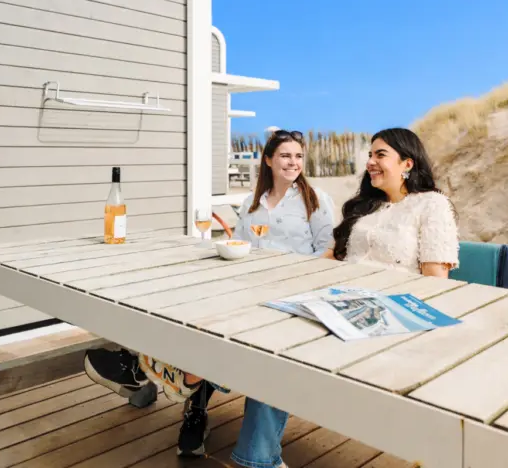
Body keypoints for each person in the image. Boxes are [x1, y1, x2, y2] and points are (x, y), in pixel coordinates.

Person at [82, 129, 334, 465]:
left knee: (224, 327)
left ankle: (150, 370)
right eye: (286, 155)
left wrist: (292, 274)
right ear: (269, 160)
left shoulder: (316, 199)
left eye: (299, 156)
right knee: (192, 301)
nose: (293, 162)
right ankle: (151, 367)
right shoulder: (252, 202)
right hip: (248, 284)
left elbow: (329, 252)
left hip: (291, 290)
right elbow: (241, 246)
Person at [327, 127, 460, 276]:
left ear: (407, 164)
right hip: (343, 289)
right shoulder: (362, 206)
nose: (370, 162)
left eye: (380, 155)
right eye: (370, 155)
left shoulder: (432, 205)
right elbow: (331, 257)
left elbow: (435, 280)